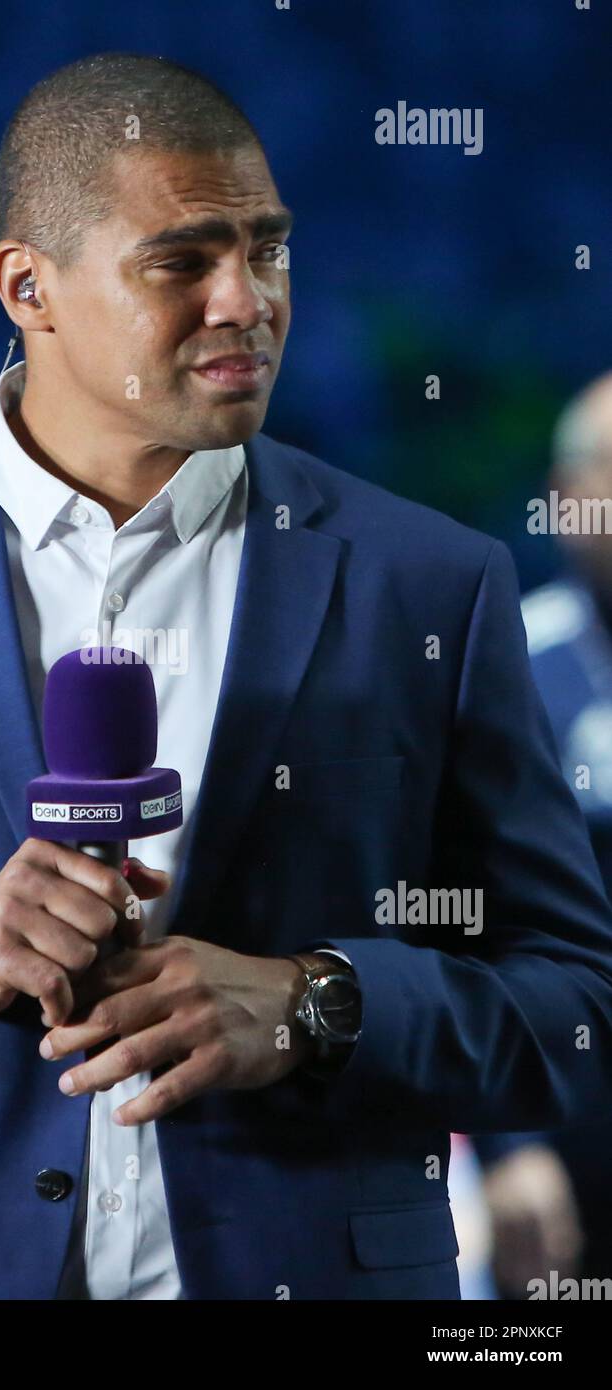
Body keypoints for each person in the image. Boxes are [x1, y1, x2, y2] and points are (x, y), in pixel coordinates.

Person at [0, 51, 612, 1302]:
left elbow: (571, 1002)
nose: (248, 300)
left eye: (268, 250)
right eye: (183, 261)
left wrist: (319, 1004)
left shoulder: (429, 582)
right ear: (25, 286)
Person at [477, 370, 612, 1296]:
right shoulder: (513, 667)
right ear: (565, 501)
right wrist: (506, 1145)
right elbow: (462, 915)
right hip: (570, 1140)